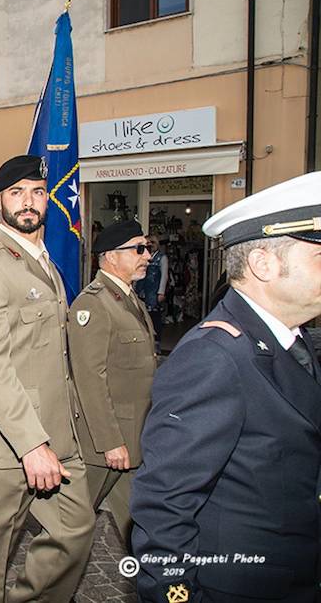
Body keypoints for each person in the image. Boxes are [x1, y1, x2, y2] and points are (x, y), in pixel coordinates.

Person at [131, 172, 321, 603]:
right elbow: (164, 504)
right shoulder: (213, 357)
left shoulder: (292, 336)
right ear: (263, 264)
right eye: (319, 253)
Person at [0, 155, 94, 603]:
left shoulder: (45, 263)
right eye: (16, 192)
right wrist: (31, 444)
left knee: (76, 528)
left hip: (57, 433)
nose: (28, 202)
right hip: (8, 442)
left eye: (37, 191)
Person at [67, 220, 156, 547]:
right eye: (138, 249)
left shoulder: (130, 300)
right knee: (71, 527)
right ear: (110, 257)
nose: (146, 256)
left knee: (139, 523)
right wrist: (109, 441)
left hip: (132, 437)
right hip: (104, 446)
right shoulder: (93, 303)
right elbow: (90, 378)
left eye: (147, 248)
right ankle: (47, 586)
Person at [134, 234, 168, 352]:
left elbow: (164, 275)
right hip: (142, 289)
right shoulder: (142, 256)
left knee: (155, 317)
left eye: (152, 243)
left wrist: (161, 292)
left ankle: (156, 343)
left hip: (154, 290)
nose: (150, 246)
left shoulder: (162, 258)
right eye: (147, 243)